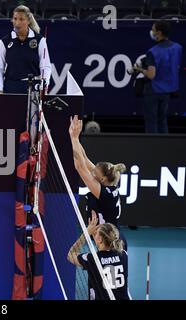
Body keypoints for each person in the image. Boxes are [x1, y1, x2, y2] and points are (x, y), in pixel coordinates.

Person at [69, 115, 127, 250]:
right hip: (109, 236)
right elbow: (84, 158)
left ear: (103, 179)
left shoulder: (105, 194)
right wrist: (75, 136)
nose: (92, 173)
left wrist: (73, 138)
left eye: (95, 173)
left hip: (109, 244)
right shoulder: (107, 183)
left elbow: (80, 167)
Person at [133, 20, 182, 133]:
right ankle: (164, 148)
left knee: (152, 121)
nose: (152, 32)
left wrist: (138, 69)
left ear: (159, 33)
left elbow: (151, 75)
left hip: (153, 91)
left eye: (153, 30)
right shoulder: (177, 48)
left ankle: (152, 148)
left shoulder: (153, 52)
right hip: (168, 90)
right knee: (162, 120)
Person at [67, 213, 130, 300]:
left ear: (100, 239)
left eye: (96, 233)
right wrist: (98, 238)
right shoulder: (123, 254)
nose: (94, 234)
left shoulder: (93, 259)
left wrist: (86, 233)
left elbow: (71, 254)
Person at [0, 5, 51, 94]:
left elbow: (45, 67)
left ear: (28, 21)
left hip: (33, 88)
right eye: (15, 19)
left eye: (21, 19)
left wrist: (45, 85)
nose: (17, 23)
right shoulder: (4, 41)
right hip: (10, 88)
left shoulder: (40, 40)